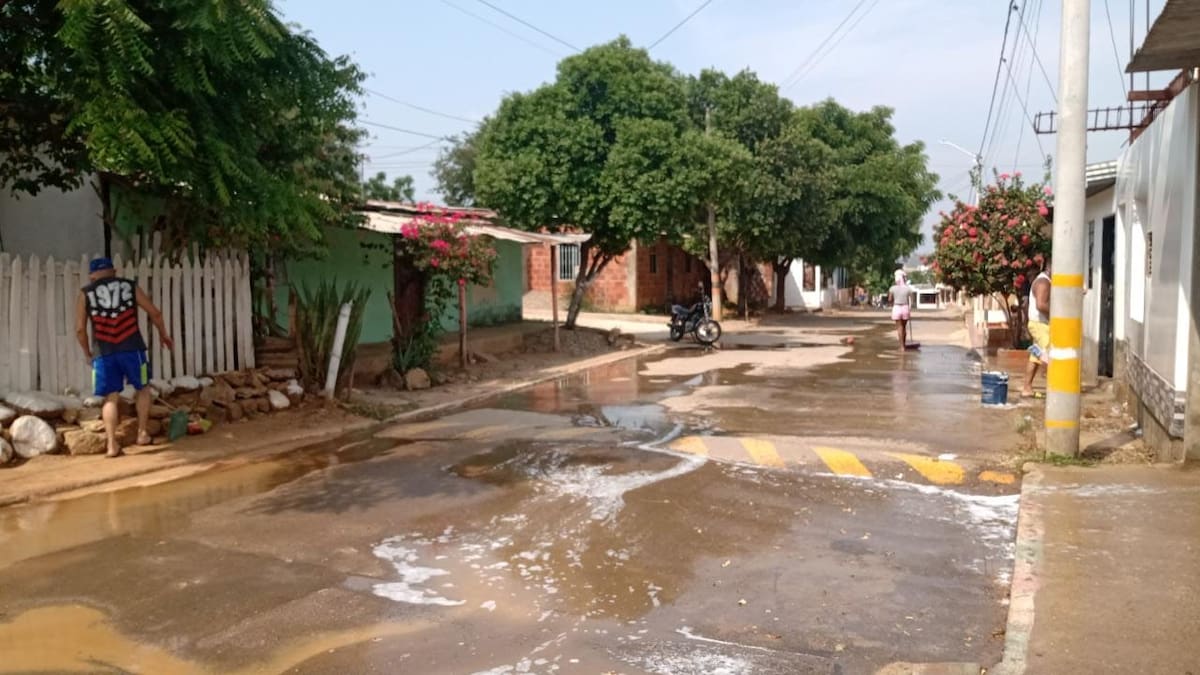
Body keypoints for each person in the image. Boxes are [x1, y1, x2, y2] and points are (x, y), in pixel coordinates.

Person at [75, 257, 174, 457]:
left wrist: (87, 352)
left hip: (104, 353)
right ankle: (142, 433)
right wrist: (164, 335)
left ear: (92, 275)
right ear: (114, 271)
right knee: (143, 388)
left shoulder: (85, 293)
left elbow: (79, 329)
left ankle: (112, 446)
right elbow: (155, 313)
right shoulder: (129, 286)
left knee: (110, 397)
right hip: (132, 349)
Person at [1022, 260, 1051, 398]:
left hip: (1037, 323)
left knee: (1036, 357)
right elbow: (1041, 305)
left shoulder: (1044, 281)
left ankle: (1027, 388)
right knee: (1050, 355)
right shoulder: (1044, 283)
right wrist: (1056, 316)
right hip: (1040, 324)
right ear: (1050, 267)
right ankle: (1057, 388)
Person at [887, 269, 913, 349]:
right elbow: (912, 300)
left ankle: (901, 347)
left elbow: (889, 300)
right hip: (905, 308)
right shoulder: (908, 288)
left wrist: (893, 301)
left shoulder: (892, 288)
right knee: (904, 328)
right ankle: (904, 345)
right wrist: (910, 308)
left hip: (897, 308)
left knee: (899, 328)